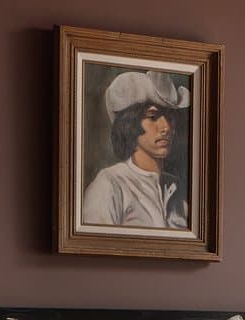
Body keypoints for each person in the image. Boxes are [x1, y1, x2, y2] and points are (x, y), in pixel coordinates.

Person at [81, 69, 189, 230]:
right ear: (130, 124)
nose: (166, 127)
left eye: (170, 117)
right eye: (152, 117)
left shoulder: (177, 187)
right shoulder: (109, 185)